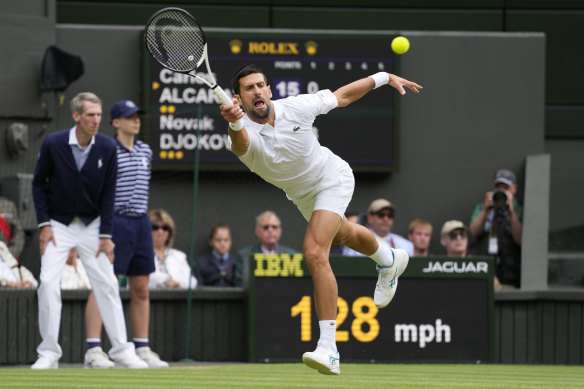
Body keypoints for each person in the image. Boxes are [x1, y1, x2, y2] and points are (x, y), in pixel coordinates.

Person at [220, 64, 421, 375]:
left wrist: (384, 78)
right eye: (249, 88)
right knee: (343, 235)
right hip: (302, 197)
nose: (257, 91)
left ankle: (329, 348)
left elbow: (342, 97)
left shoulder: (297, 107)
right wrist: (234, 125)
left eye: (261, 85)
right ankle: (389, 258)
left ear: (270, 90)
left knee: (314, 252)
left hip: (333, 178)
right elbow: (241, 146)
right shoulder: (241, 133)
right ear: (239, 99)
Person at [31, 92, 147, 369]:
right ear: (76, 116)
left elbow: (109, 194)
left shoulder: (107, 147)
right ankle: (49, 353)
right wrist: (44, 224)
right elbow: (39, 184)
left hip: (93, 226)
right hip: (58, 225)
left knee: (107, 284)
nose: (97, 120)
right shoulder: (54, 143)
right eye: (91, 115)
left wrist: (106, 235)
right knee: (47, 283)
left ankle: (121, 350)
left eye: (99, 115)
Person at [83, 100, 168, 369]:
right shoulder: (106, 150)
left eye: (137, 116)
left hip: (141, 223)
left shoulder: (145, 150)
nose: (136, 120)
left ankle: (142, 347)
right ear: (116, 122)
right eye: (129, 117)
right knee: (104, 284)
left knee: (141, 288)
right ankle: (94, 350)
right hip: (114, 222)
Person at [469, 169, 523, 290]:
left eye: (506, 187)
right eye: (498, 187)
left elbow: (520, 239)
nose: (501, 191)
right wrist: (485, 210)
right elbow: (474, 232)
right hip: (485, 271)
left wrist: (511, 211)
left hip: (510, 273)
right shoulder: (482, 207)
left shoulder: (520, 211)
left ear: (514, 189)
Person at [235, 210, 298, 287]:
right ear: (257, 231)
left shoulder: (293, 256)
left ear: (280, 231)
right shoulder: (244, 256)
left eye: (274, 227)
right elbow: (241, 285)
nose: (270, 230)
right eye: (266, 227)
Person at [342, 199, 414, 257]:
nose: (386, 219)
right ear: (370, 218)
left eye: (390, 215)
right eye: (381, 214)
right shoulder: (357, 243)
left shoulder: (406, 245)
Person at [149, 209, 197, 289]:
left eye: (165, 228)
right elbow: (144, 278)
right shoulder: (139, 254)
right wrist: (166, 280)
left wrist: (176, 283)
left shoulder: (179, 256)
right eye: (155, 227)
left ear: (169, 232)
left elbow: (192, 282)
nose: (160, 231)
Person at [195, 223, 236, 287]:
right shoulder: (201, 262)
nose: (222, 243)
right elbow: (198, 287)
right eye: (218, 240)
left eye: (226, 240)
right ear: (211, 241)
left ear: (231, 242)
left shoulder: (236, 262)